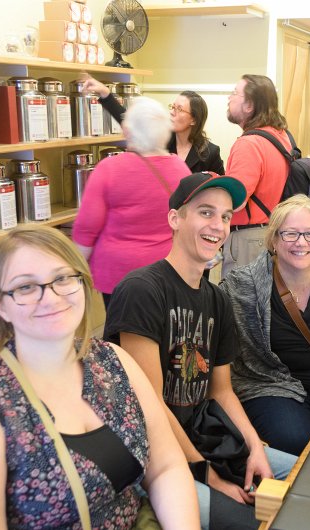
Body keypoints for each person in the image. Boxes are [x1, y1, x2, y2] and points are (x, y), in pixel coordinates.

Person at [0, 226, 199, 529]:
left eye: (63, 278)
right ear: (0, 305)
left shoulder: (113, 362)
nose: (50, 297)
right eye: (25, 287)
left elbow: (166, 468)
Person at [103, 172, 297, 530]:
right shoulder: (142, 290)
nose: (219, 226)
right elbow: (152, 406)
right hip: (155, 457)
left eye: (225, 216)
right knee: (254, 521)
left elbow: (220, 390)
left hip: (208, 441)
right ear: (175, 219)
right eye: (205, 212)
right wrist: (210, 477)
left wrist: (254, 446)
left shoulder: (217, 300)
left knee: (305, 479)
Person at [221, 195, 310, 455]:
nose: (301, 243)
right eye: (290, 234)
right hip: (269, 384)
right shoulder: (242, 286)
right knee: (298, 441)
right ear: (274, 240)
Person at [72, 96, 190, 307]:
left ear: (128, 130)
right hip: (168, 269)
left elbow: (86, 229)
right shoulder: (181, 169)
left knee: (121, 333)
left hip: (118, 274)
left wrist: (74, 272)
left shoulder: (109, 169)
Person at [222, 74, 292, 277]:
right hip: (269, 232)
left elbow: (236, 200)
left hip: (248, 239)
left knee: (240, 306)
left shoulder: (249, 144)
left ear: (249, 105)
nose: (229, 98)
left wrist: (212, 186)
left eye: (235, 93)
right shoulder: (281, 136)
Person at [81, 76, 224, 174]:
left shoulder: (210, 153)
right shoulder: (160, 140)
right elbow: (130, 122)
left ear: (194, 119)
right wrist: (105, 94)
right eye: (172, 107)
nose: (172, 112)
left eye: (179, 109)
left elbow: (219, 192)